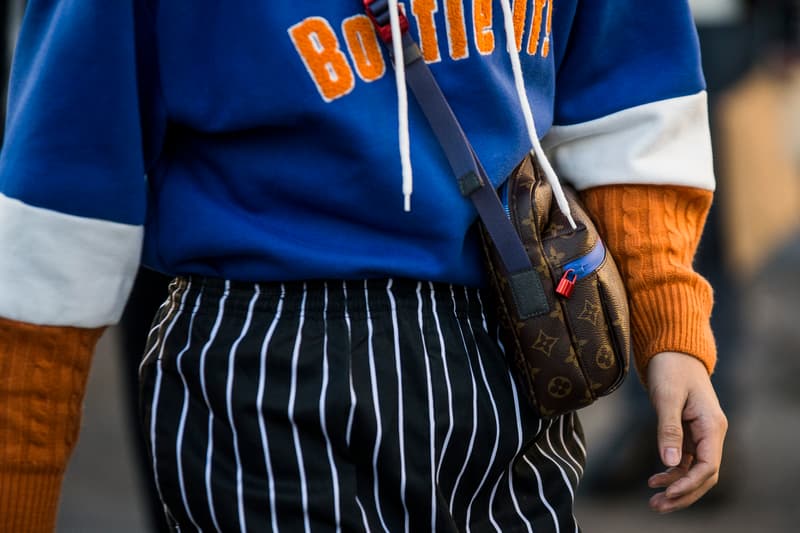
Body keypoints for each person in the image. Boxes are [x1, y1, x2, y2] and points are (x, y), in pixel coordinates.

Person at [0, 1, 727, 531]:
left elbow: (631, 89)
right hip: (264, 361)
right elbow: (61, 202)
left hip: (510, 349)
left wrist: (670, 326)